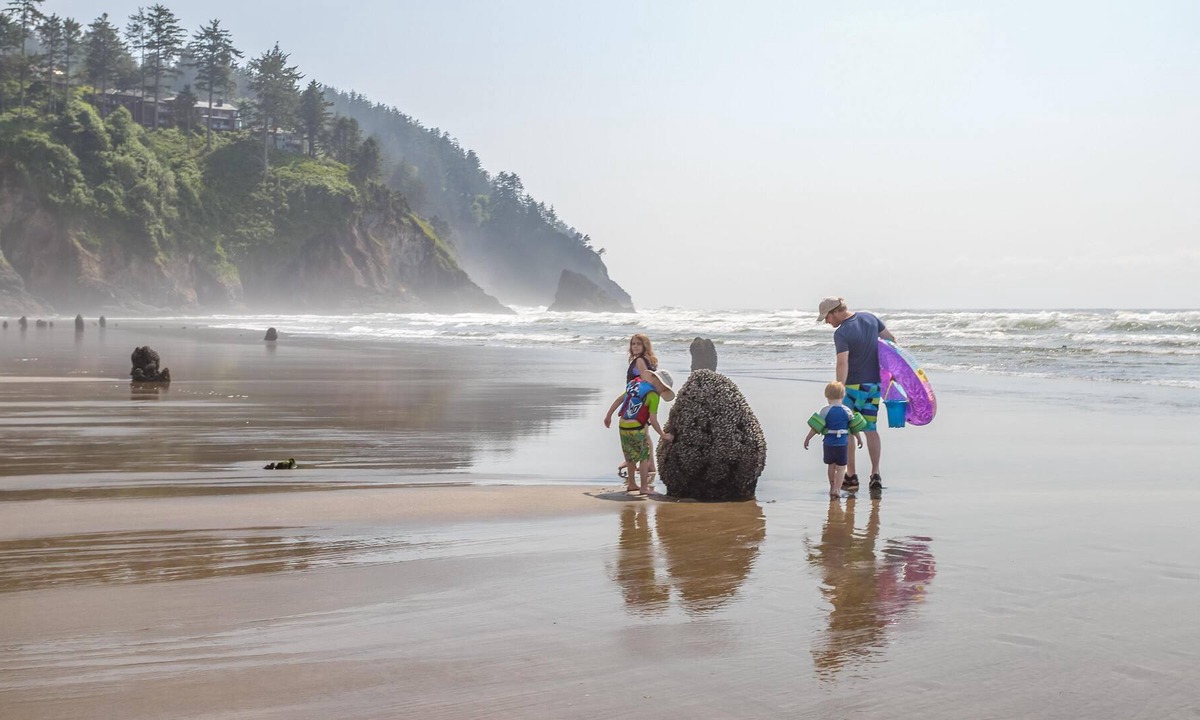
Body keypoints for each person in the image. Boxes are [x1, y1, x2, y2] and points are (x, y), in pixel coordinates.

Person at [817, 297, 896, 492]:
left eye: (827, 317)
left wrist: (839, 387)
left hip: (852, 387)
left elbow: (842, 362)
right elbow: (891, 341)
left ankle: (851, 476)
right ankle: (875, 473)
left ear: (834, 312)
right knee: (871, 428)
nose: (827, 322)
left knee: (850, 430)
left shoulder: (842, 332)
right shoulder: (870, 319)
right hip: (873, 386)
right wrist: (892, 374)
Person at [604, 368, 675, 495]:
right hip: (636, 427)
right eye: (663, 388)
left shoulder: (634, 386)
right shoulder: (653, 396)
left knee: (630, 456)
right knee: (644, 456)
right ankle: (643, 487)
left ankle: (631, 484)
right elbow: (653, 420)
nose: (661, 390)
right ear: (661, 386)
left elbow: (618, 400)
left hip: (623, 425)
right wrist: (663, 435)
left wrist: (608, 416)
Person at [803, 382, 865, 498]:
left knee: (831, 465)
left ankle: (832, 487)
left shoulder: (825, 411)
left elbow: (816, 427)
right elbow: (854, 428)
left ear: (827, 396)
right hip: (842, 444)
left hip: (828, 444)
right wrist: (859, 439)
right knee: (841, 468)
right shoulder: (847, 411)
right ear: (843, 396)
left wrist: (808, 438)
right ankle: (837, 489)